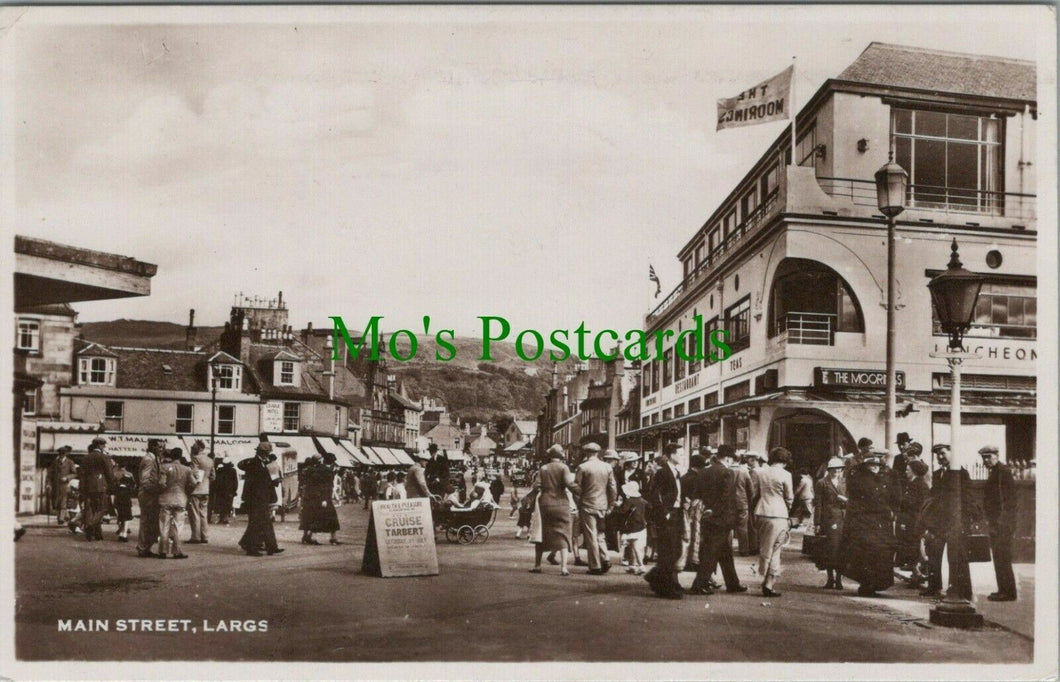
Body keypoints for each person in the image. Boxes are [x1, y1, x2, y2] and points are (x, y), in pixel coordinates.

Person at [841, 453, 901, 596]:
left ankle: (874, 584)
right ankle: (867, 584)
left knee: (881, 553)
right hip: (865, 523)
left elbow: (894, 497)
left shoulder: (884, 479)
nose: (874, 468)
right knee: (866, 554)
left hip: (881, 523)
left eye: (877, 466)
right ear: (866, 467)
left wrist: (892, 511)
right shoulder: (859, 480)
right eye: (871, 466)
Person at [691, 448, 747, 595]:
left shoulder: (703, 472)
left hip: (706, 516)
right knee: (711, 552)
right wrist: (715, 511)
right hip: (721, 518)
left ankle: (733, 583)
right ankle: (699, 584)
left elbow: (697, 493)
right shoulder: (728, 472)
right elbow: (725, 497)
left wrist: (706, 509)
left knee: (725, 552)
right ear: (728, 458)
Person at [529, 444, 579, 576]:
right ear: (561, 456)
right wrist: (581, 491)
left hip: (545, 504)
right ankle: (563, 568)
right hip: (561, 504)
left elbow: (536, 486)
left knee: (541, 533)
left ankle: (537, 565)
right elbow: (569, 484)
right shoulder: (564, 467)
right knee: (563, 534)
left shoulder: (543, 468)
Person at [753, 447, 795, 598]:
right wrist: (788, 508)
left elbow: (755, 492)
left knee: (765, 547)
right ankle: (768, 583)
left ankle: (762, 576)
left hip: (762, 511)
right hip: (778, 513)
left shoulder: (761, 472)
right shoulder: (786, 474)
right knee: (776, 548)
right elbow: (789, 497)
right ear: (785, 460)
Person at [644, 444, 683, 599]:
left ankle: (657, 577)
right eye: (680, 453)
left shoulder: (675, 471)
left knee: (674, 550)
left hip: (675, 514)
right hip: (667, 516)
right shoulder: (662, 472)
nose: (681, 456)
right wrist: (664, 513)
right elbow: (655, 494)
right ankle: (665, 586)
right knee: (668, 550)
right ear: (671, 455)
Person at [574, 442, 618, 575]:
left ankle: (595, 566)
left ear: (586, 452)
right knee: (600, 534)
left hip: (587, 505)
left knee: (591, 535)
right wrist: (611, 504)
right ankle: (605, 558)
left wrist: (578, 500)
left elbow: (576, 488)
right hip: (602, 505)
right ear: (598, 453)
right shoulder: (607, 467)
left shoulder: (582, 467)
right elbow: (612, 488)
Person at [980, 445, 1017, 601]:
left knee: (1002, 557)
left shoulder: (1002, 472)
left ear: (997, 455)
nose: (986, 460)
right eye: (984, 457)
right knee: (998, 557)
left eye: (989, 457)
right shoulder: (996, 472)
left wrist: (1000, 523)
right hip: (996, 523)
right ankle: (1003, 589)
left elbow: (1007, 500)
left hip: (1002, 524)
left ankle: (1008, 592)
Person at [238, 442, 284, 557]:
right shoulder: (253, 463)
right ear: (262, 452)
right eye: (267, 452)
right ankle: (252, 548)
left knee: (265, 522)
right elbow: (244, 469)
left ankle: (271, 546)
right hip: (254, 497)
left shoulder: (266, 463)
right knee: (257, 522)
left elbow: (267, 480)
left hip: (263, 497)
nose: (268, 454)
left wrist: (275, 481)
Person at [814, 457, 848, 590]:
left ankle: (839, 579)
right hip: (828, 519)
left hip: (843, 518)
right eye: (834, 470)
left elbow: (851, 499)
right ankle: (830, 578)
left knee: (841, 549)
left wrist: (845, 500)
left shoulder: (844, 483)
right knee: (830, 549)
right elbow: (818, 504)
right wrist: (817, 523)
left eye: (839, 470)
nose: (837, 472)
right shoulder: (822, 483)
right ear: (829, 470)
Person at [157, 448, 197, 559]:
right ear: (180, 456)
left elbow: (161, 483)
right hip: (180, 499)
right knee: (178, 526)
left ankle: (163, 551)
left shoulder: (164, 467)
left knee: (164, 525)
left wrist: (162, 491)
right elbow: (194, 483)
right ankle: (177, 551)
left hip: (166, 499)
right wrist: (186, 492)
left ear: (171, 455)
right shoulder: (187, 469)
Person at [896, 459, 931, 571]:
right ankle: (914, 567)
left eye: (908, 470)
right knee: (911, 543)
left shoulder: (919, 485)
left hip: (915, 519)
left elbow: (919, 503)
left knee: (916, 544)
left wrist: (903, 502)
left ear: (914, 471)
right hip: (910, 518)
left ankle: (918, 568)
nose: (906, 472)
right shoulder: (912, 483)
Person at [301, 454, 342, 546]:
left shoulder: (310, 470)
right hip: (324, 497)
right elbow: (326, 486)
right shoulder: (326, 471)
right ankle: (331, 537)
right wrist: (325, 498)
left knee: (314, 516)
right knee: (329, 517)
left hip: (312, 497)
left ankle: (308, 536)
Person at [80, 438, 116, 541]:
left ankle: (98, 534)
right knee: (102, 509)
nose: (104, 447)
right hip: (101, 486)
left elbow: (82, 474)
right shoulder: (104, 457)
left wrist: (82, 487)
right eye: (103, 445)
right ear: (99, 446)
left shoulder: (85, 458)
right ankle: (90, 526)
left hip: (88, 486)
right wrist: (112, 486)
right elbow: (109, 474)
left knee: (91, 509)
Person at [135, 439, 165, 558]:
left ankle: (145, 547)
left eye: (162, 447)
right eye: (159, 447)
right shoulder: (149, 460)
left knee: (150, 522)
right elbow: (145, 480)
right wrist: (156, 489)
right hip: (148, 494)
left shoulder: (154, 459)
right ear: (152, 447)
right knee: (147, 522)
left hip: (151, 494)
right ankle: (143, 547)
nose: (161, 449)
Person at [679, 453, 707, 572]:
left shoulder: (684, 477)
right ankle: (693, 561)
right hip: (696, 508)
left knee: (686, 535)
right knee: (696, 534)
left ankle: (684, 560)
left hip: (684, 508)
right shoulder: (698, 478)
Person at [728, 447, 755, 556]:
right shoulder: (744, 471)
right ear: (740, 460)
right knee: (742, 527)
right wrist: (749, 500)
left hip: (728, 503)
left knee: (729, 527)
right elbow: (751, 489)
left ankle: (728, 549)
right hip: (742, 503)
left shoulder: (727, 470)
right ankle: (743, 550)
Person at [617, 481, 648, 575]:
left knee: (634, 546)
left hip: (631, 526)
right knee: (634, 546)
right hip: (641, 526)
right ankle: (632, 566)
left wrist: (618, 505)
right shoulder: (643, 501)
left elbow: (622, 512)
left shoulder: (629, 501)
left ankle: (641, 565)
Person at [187, 440, 214, 544]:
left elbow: (193, 473)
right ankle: (205, 535)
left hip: (196, 489)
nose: (192, 447)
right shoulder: (210, 460)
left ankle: (196, 536)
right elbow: (213, 476)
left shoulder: (196, 459)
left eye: (194, 446)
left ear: (198, 448)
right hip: (205, 489)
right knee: (203, 513)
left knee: (194, 513)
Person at [48, 446, 77, 525]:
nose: (62, 454)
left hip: (65, 485)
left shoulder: (70, 462)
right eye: (60, 453)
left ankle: (61, 519)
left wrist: (67, 478)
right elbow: (49, 474)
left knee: (63, 502)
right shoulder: (55, 462)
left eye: (64, 453)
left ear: (66, 454)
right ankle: (65, 516)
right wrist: (48, 484)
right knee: (56, 503)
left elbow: (74, 473)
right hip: (55, 485)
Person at [112, 462, 136, 542]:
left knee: (120, 514)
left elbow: (112, 485)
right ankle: (124, 533)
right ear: (125, 466)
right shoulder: (129, 474)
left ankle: (121, 530)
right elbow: (134, 485)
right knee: (127, 516)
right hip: (126, 497)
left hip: (117, 496)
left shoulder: (115, 474)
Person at [213, 455, 238, 525]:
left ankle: (221, 518)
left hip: (220, 490)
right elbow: (235, 482)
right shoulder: (233, 471)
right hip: (229, 490)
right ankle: (225, 518)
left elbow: (217, 481)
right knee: (227, 504)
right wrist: (234, 490)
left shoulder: (219, 470)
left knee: (221, 504)